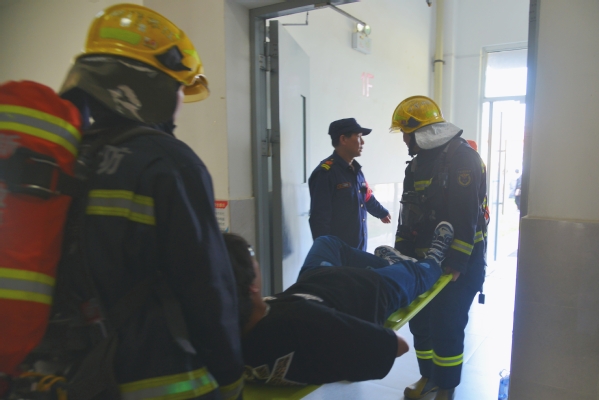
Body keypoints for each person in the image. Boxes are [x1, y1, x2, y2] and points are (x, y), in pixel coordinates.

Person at [55, 4, 243, 399]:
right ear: (151, 85)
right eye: (177, 86)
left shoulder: (67, 157)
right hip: (159, 375)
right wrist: (230, 375)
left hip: (77, 375)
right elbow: (207, 285)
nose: (179, 100)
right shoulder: (168, 162)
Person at [223, 222, 454, 386]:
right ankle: (433, 259)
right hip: (368, 289)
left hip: (313, 279)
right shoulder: (302, 321)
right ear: (251, 285)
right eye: (250, 253)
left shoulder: (224, 340)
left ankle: (391, 264)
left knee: (327, 242)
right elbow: (398, 346)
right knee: (416, 273)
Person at [390, 95, 487, 400]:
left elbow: (466, 216)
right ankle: (428, 378)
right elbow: (408, 214)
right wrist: (400, 255)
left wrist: (456, 262)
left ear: (421, 132)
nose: (404, 140)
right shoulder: (416, 166)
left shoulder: (463, 159)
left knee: (447, 324)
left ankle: (446, 388)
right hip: (424, 262)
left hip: (460, 263)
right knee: (421, 323)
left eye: (406, 133)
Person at [308, 118, 391, 252]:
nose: (362, 142)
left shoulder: (356, 171)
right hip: (339, 254)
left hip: (358, 250)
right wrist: (326, 253)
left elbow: (366, 196)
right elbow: (319, 219)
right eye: (358, 137)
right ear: (343, 139)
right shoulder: (325, 173)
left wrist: (381, 212)